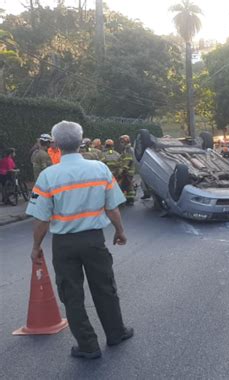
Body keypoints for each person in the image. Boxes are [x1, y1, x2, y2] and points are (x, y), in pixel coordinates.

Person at [26, 121, 133, 360]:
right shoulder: (100, 169)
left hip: (64, 245)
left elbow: (41, 219)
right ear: (81, 139)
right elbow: (112, 207)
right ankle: (116, 333)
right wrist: (120, 231)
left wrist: (36, 247)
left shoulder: (47, 176)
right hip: (94, 241)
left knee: (71, 294)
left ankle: (88, 345)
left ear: (55, 144)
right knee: (105, 287)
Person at [118, 135, 136, 205]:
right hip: (128, 170)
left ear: (125, 141)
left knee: (128, 185)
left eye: (122, 141)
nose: (121, 143)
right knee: (127, 185)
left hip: (128, 171)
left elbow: (128, 160)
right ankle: (129, 199)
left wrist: (123, 169)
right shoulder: (126, 149)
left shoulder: (128, 149)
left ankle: (130, 199)